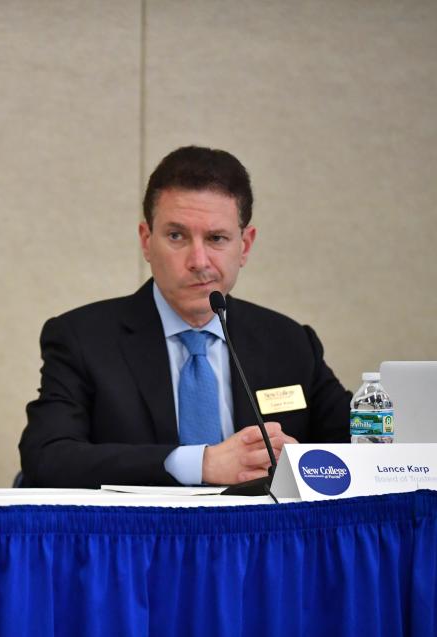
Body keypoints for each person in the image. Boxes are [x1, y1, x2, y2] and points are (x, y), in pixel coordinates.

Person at [19, 146, 350, 488]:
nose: (199, 260)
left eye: (216, 238)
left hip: (259, 538)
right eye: (177, 236)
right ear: (146, 242)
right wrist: (199, 464)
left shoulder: (288, 342)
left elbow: (360, 446)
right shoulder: (83, 339)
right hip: (139, 538)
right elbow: (47, 457)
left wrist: (302, 460)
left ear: (245, 245)